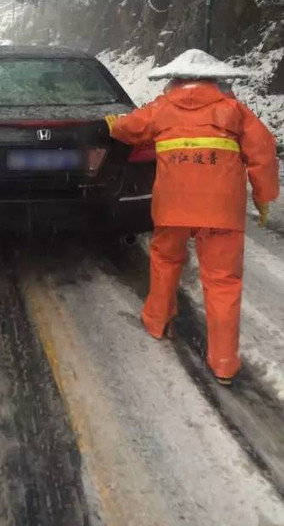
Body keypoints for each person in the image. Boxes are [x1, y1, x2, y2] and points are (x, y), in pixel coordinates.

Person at [105, 49, 279, 385]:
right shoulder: (235, 111)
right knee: (223, 283)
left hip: (173, 207)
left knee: (165, 260)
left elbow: (130, 128)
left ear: (177, 79)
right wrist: (262, 197)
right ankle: (224, 363)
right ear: (216, 80)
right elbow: (263, 154)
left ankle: (158, 321)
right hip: (222, 212)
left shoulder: (162, 108)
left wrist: (114, 127)